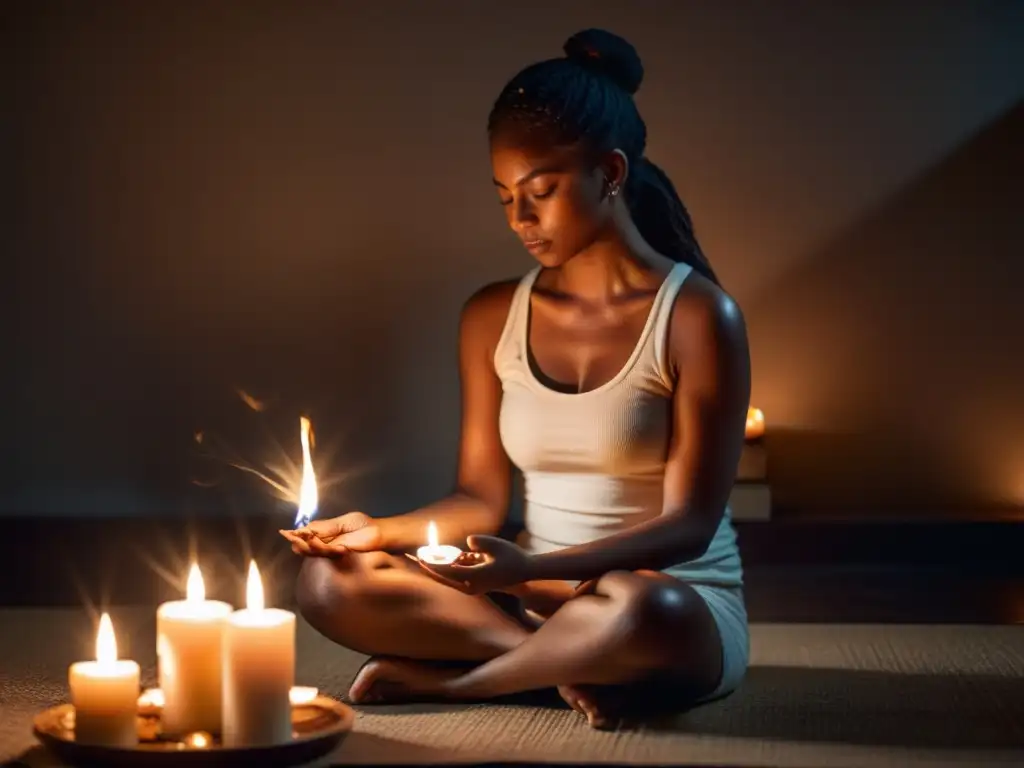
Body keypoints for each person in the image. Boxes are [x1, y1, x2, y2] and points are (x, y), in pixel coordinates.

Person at [281, 28, 750, 729]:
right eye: (504, 197)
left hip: (665, 601)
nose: (520, 220)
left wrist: (525, 569)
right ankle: (553, 668)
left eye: (541, 192)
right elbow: (478, 496)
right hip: (531, 596)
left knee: (647, 608)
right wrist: (377, 533)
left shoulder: (698, 315)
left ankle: (460, 686)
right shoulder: (492, 315)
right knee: (328, 581)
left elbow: (689, 525)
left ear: (611, 173)